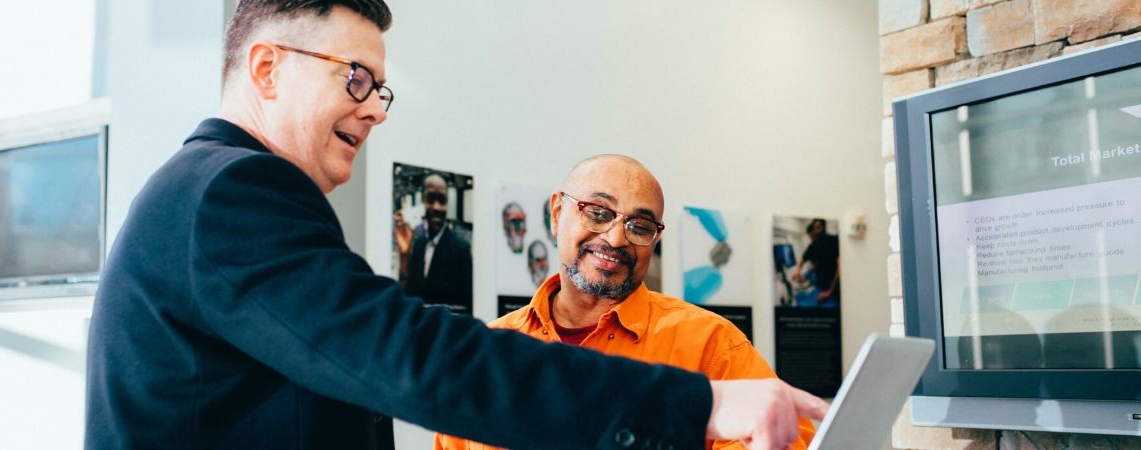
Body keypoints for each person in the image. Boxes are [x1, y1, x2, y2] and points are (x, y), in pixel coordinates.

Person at [85, 1, 827, 449]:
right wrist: (698, 402)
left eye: (380, 89)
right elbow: (408, 354)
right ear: (266, 68)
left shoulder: (208, 191)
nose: (374, 108)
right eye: (355, 77)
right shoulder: (232, 191)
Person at [434, 155, 817, 450]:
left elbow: (789, 441)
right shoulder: (487, 356)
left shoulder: (710, 345)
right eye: (598, 213)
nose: (616, 238)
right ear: (557, 214)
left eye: (640, 226)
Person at [397, 173, 473, 312]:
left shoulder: (461, 249)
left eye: (442, 200)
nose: (436, 207)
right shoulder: (418, 245)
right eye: (431, 199)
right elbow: (408, 297)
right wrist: (404, 256)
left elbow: (466, 307)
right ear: (423, 201)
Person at [793, 219, 840, 306]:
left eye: (819, 227)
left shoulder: (833, 240)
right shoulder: (813, 246)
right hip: (820, 286)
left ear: (824, 227)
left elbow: (839, 268)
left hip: (834, 288)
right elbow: (804, 259)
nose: (812, 237)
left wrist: (829, 292)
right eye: (815, 228)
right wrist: (797, 271)